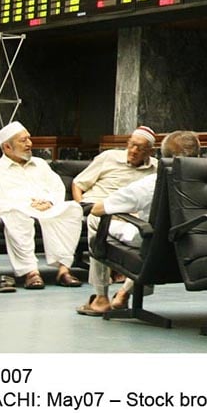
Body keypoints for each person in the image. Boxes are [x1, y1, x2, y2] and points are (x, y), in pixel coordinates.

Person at [77, 130, 200, 316]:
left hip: (150, 242)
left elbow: (100, 209)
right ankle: (124, 293)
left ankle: (101, 297)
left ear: (159, 154)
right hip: (193, 244)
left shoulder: (150, 184)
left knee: (96, 220)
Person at [0, 121, 84, 289]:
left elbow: (57, 187)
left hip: (47, 208)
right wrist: (27, 205)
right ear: (7, 147)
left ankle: (63, 271)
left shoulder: (40, 163)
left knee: (73, 209)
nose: (29, 144)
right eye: (23, 141)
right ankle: (31, 273)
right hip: (17, 210)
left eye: (29, 139)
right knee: (16, 215)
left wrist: (50, 202)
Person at [73, 126, 158, 304]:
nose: (134, 151)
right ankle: (101, 294)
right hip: (99, 209)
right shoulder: (108, 157)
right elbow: (78, 183)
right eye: (132, 145)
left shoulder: (156, 169)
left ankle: (123, 292)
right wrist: (80, 206)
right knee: (96, 220)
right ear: (127, 143)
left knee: (151, 233)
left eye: (140, 148)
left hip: (131, 216)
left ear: (150, 151)